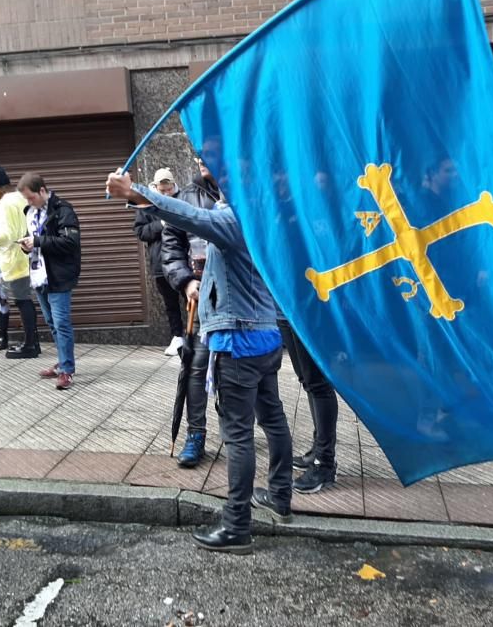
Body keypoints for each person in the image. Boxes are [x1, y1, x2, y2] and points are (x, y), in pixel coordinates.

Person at [107, 168, 292, 556]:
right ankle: (279, 495)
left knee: (238, 434)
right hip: (265, 334)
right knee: (272, 418)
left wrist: (135, 191)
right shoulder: (266, 214)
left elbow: (191, 217)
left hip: (237, 340)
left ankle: (237, 524)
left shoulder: (235, 216)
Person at [160, 156, 221, 468]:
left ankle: (242, 426)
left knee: (239, 370)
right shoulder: (184, 197)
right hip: (201, 301)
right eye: (197, 151)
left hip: (242, 300)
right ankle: (195, 433)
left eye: (207, 150)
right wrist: (184, 282)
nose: (200, 158)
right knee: (195, 367)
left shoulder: (245, 191)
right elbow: (170, 248)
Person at [17, 172, 81, 391]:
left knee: (61, 323)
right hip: (39, 275)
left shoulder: (63, 210)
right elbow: (33, 239)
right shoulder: (29, 212)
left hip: (59, 275)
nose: (28, 202)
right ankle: (62, 362)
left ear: (42, 190)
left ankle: (67, 371)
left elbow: (70, 242)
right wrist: (27, 245)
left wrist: (37, 241)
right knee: (52, 323)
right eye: (26, 199)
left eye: (31, 197)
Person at [0, 166, 40, 359]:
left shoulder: (4, 205)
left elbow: (6, 235)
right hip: (27, 256)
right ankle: (32, 342)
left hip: (16, 259)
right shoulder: (19, 198)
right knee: (26, 301)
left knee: (23, 301)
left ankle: (30, 345)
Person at [278, 318, 339, 493]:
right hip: (283, 310)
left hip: (303, 309)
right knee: (307, 381)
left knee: (318, 383)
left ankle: (325, 461)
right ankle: (318, 448)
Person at [133, 168, 184, 357]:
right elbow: (140, 232)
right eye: (162, 190)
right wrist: (160, 225)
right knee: (170, 303)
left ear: (173, 185)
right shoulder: (145, 203)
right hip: (160, 262)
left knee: (191, 298)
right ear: (155, 187)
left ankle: (193, 335)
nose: (165, 193)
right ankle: (177, 335)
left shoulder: (183, 198)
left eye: (168, 189)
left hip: (184, 260)